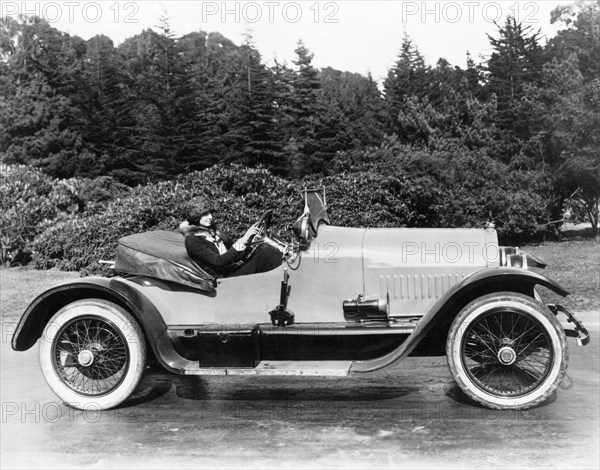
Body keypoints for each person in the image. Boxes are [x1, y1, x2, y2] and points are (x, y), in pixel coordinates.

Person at [180, 197, 283, 278]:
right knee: (266, 254)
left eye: (210, 213)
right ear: (196, 217)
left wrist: (250, 243)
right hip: (224, 279)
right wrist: (244, 238)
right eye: (205, 214)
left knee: (264, 251)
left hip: (233, 270)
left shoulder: (214, 233)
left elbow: (234, 253)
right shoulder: (192, 240)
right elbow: (218, 261)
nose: (210, 217)